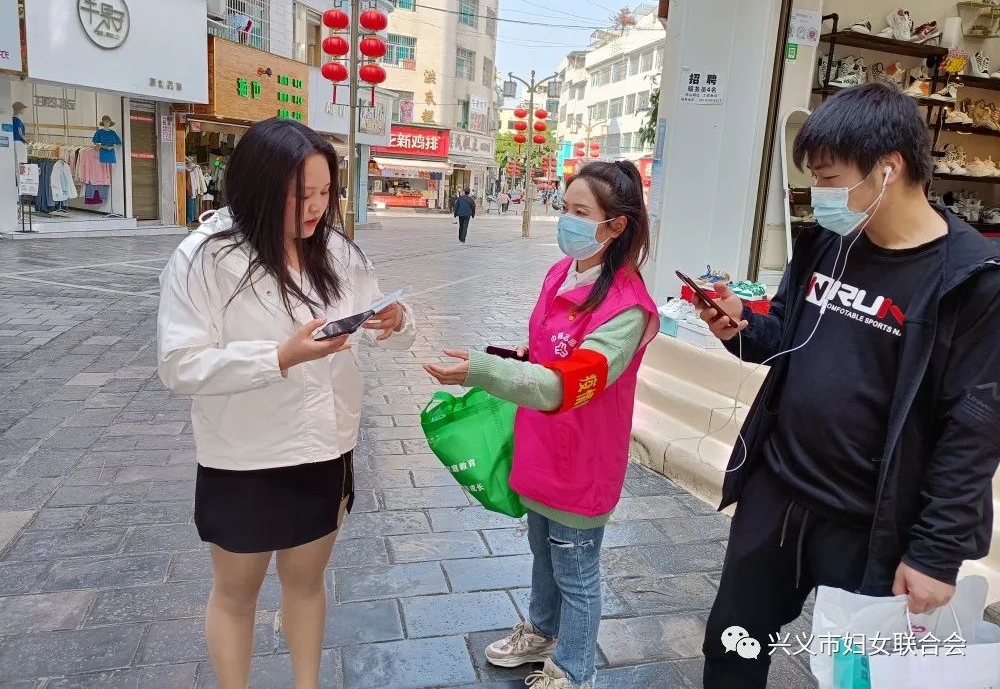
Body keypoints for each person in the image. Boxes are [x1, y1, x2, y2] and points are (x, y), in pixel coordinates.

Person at [697, 84, 1000, 689]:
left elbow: (974, 430)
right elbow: (787, 334)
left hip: (874, 524)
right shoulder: (826, 244)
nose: (819, 194)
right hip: (779, 494)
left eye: (830, 177)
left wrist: (936, 553)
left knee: (862, 674)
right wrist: (741, 326)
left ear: (888, 168)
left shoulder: (972, 281)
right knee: (732, 644)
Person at [157, 118, 415, 689]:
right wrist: (278, 357)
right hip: (244, 456)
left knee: (306, 583)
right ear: (259, 186)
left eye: (324, 192)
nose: (316, 207)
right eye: (301, 195)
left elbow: (380, 318)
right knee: (236, 593)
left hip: (325, 447)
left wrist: (396, 319)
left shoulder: (338, 253)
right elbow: (179, 364)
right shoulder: (204, 258)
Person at [425, 161, 659, 689]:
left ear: (616, 225)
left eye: (581, 213)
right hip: (540, 444)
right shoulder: (560, 274)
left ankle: (574, 669)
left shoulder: (626, 308)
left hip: (583, 458)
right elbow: (546, 352)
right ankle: (542, 630)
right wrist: (518, 359)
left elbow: (565, 384)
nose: (567, 221)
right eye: (565, 208)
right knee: (543, 555)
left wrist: (484, 372)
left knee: (576, 570)